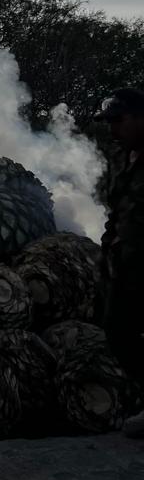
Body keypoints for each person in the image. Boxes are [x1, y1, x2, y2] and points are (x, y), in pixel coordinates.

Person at [95, 87, 144, 437]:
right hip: (125, 267)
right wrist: (108, 248)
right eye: (108, 122)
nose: (112, 129)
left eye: (119, 120)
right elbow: (117, 211)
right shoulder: (120, 158)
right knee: (117, 331)